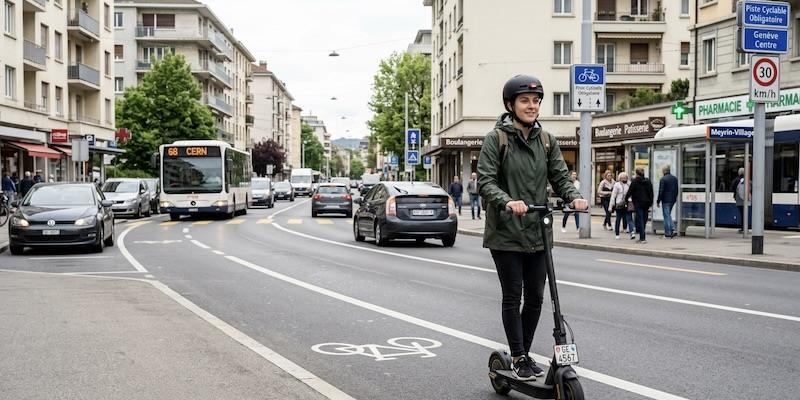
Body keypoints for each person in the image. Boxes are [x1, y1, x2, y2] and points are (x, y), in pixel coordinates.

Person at [477, 75, 587, 381]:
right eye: (525, 100)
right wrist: (507, 201)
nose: (532, 106)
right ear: (511, 105)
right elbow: (485, 181)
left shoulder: (547, 140)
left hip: (538, 231)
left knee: (537, 297)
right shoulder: (496, 139)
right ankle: (517, 356)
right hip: (507, 233)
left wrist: (574, 196)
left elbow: (560, 177)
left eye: (536, 101)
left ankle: (523, 353)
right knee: (513, 296)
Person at [625, 167, 654, 244]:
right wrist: (651, 202)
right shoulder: (648, 181)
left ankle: (642, 238)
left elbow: (630, 191)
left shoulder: (634, 181)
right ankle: (642, 234)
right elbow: (651, 192)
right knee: (644, 219)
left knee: (640, 219)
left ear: (636, 173)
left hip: (638, 203)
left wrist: (626, 200)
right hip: (647, 203)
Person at [609, 172, 634, 239]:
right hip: (619, 204)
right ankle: (617, 234)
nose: (624, 179)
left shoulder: (629, 184)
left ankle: (632, 232)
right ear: (619, 178)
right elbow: (613, 196)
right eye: (622, 178)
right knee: (618, 219)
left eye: (625, 177)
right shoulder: (617, 185)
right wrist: (611, 206)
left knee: (629, 218)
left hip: (628, 203)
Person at [657, 165, 679, 238]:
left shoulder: (663, 179)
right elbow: (676, 190)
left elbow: (661, 191)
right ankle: (673, 229)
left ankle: (668, 233)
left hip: (666, 200)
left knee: (666, 216)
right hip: (672, 199)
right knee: (668, 215)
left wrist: (658, 200)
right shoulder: (674, 178)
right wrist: (674, 198)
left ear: (664, 171)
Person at [731, 168, 746, 232]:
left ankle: (743, 227)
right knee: (744, 213)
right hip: (745, 198)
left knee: (742, 213)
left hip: (739, 199)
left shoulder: (736, 180)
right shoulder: (746, 179)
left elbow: (732, 188)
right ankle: (744, 227)